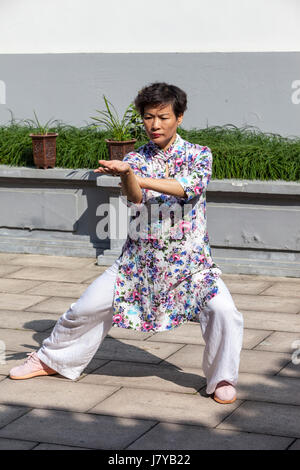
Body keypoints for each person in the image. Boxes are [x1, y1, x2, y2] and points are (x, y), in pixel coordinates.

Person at [9, 82, 243, 404]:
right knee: (85, 308)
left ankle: (222, 379)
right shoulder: (136, 157)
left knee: (224, 312)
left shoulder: (199, 155)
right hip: (138, 263)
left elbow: (187, 188)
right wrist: (127, 176)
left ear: (180, 117)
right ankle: (51, 359)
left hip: (191, 266)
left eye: (162, 117)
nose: (154, 125)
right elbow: (136, 198)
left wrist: (133, 173)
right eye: (148, 117)